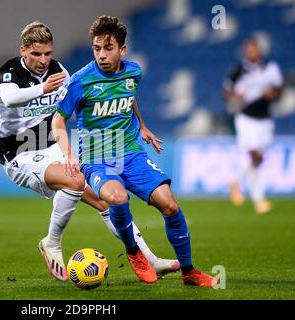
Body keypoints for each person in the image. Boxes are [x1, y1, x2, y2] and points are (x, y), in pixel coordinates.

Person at [0, 21, 179, 281]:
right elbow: (10, 98)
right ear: (23, 51)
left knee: (106, 200)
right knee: (76, 179)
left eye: (48, 53)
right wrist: (42, 89)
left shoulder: (58, 71)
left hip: (52, 145)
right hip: (19, 152)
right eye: (36, 54)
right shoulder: (10, 73)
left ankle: (150, 259)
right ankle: (52, 242)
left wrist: (142, 124)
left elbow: (119, 92)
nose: (43, 60)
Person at [52, 15, 217, 286]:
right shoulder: (81, 81)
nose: (101, 55)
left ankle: (189, 272)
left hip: (132, 153)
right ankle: (134, 252)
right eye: (96, 49)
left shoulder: (133, 72)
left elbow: (129, 99)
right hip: (96, 159)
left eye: (108, 48)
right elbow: (57, 121)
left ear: (122, 50)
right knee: (117, 198)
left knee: (170, 205)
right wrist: (69, 155)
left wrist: (142, 125)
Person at [223, 38, 283, 215]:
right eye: (248, 50)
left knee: (258, 159)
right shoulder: (238, 71)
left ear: (259, 51)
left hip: (265, 120)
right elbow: (227, 90)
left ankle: (236, 181)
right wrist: (235, 96)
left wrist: (272, 94)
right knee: (254, 154)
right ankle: (259, 200)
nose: (251, 53)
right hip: (246, 119)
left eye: (254, 50)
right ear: (245, 52)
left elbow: (279, 87)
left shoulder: (270, 69)